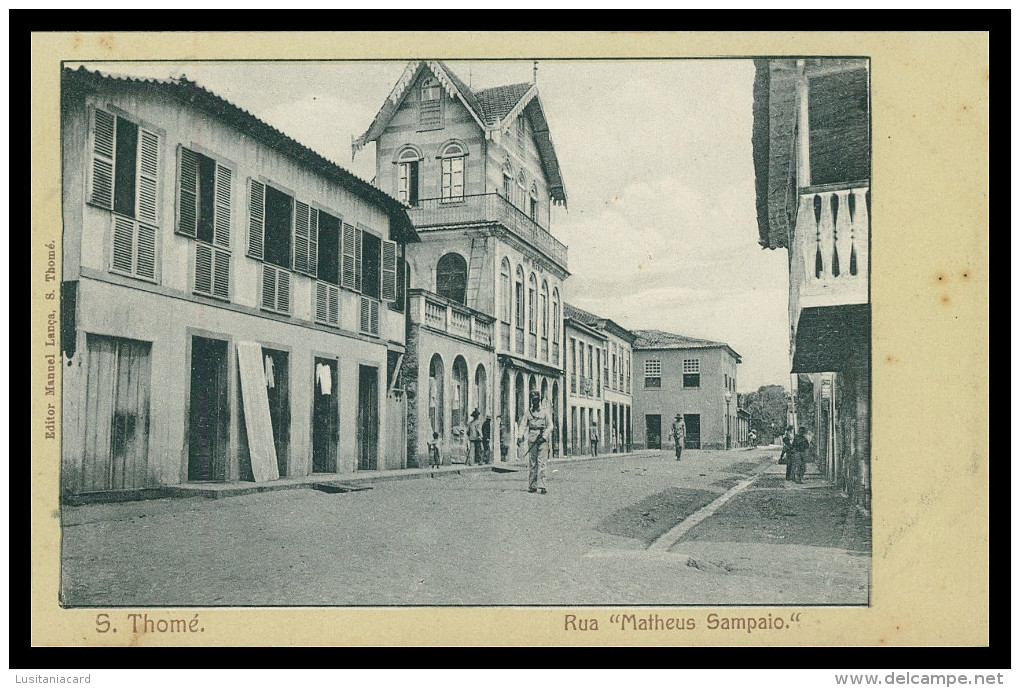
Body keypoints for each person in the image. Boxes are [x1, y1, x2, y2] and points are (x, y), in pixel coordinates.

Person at [517, 391, 552, 494]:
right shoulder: (528, 412)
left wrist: (544, 436)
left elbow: (550, 426)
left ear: (539, 400)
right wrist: (519, 436)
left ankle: (542, 486)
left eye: (536, 399)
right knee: (532, 463)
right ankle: (532, 485)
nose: (535, 402)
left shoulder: (545, 412)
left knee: (542, 463)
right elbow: (523, 424)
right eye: (533, 400)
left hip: (542, 439)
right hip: (532, 438)